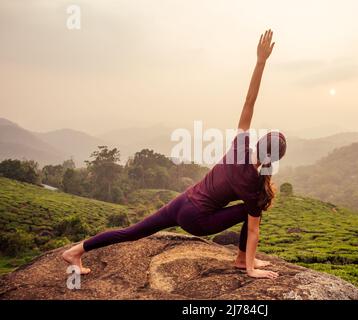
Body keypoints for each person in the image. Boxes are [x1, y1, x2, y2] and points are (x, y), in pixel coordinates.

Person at [63, 29, 287, 279]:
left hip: (183, 202)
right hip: (198, 220)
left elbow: (249, 101)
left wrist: (260, 62)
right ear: (274, 161)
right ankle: (241, 260)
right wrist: (250, 270)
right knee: (250, 212)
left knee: (132, 231)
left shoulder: (240, 146)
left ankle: (76, 250)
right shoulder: (254, 187)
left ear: (257, 143)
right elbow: (254, 231)